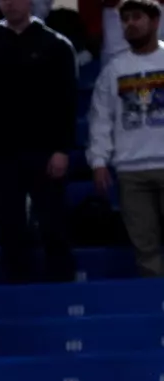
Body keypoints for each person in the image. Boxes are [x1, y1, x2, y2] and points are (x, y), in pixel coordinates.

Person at [0, 0, 77, 283]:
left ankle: (63, 293)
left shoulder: (57, 45)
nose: (11, 3)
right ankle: (19, 296)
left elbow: (67, 103)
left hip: (45, 153)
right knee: (9, 230)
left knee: (53, 226)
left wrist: (61, 149)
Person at [90, 0, 164, 277]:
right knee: (145, 248)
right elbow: (101, 119)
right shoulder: (114, 70)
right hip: (131, 170)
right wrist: (98, 160)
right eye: (125, 19)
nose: (130, 23)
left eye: (137, 17)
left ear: (155, 21)